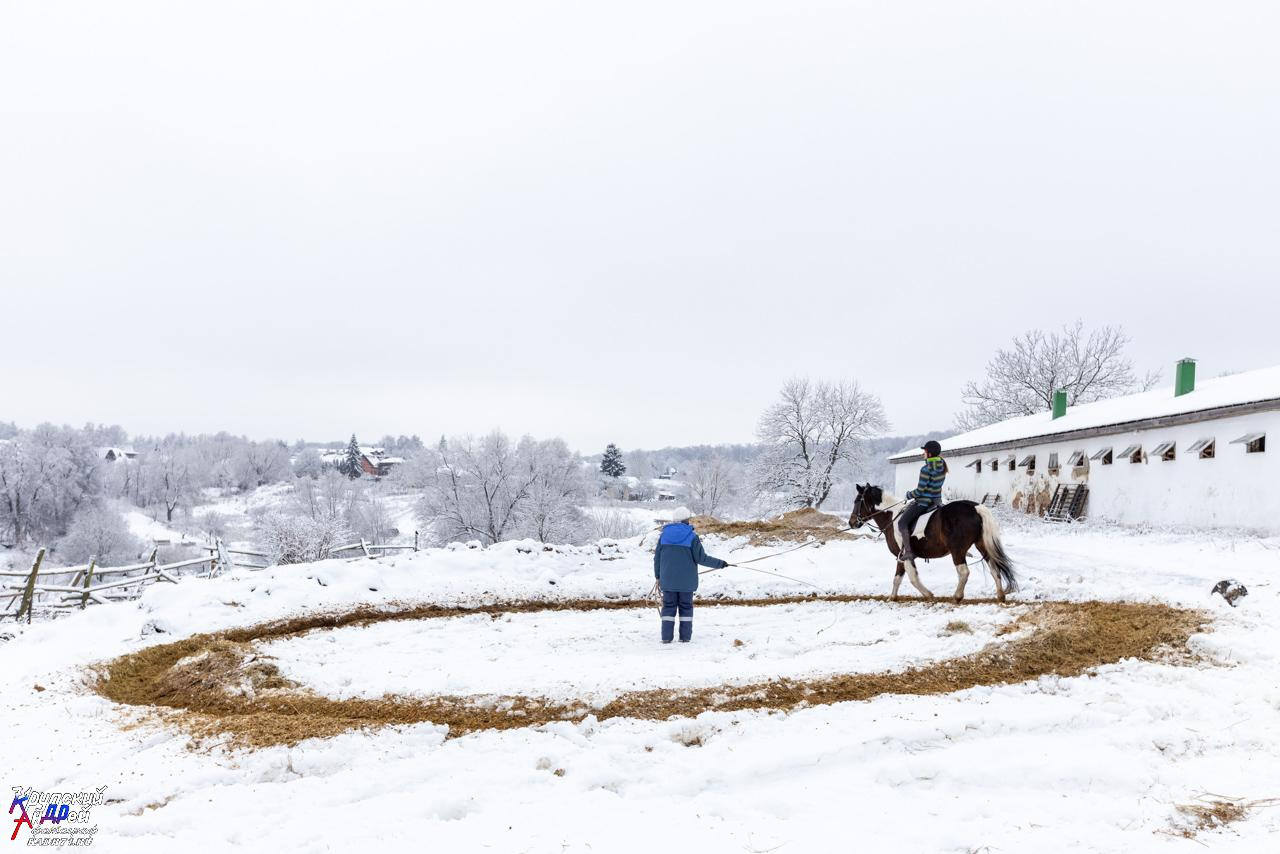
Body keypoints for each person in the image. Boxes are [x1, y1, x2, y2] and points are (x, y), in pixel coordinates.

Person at [653, 509, 728, 643]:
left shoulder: (663, 536)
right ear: (686, 520)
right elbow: (702, 558)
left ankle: (666, 638)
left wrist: (658, 577)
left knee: (668, 608)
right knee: (686, 608)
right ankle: (685, 638)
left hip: (668, 582)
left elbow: (657, 558)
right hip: (686, 584)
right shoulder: (692, 536)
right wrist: (721, 564)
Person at [897, 440, 947, 562]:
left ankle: (909, 552)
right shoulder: (943, 465)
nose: (923, 454)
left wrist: (909, 495)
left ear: (929, 454)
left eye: (925, 451)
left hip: (924, 502)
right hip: (936, 501)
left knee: (902, 523)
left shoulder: (926, 469)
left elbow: (920, 491)